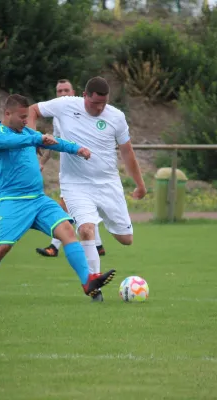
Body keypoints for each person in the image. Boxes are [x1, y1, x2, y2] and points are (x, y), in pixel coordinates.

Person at [0, 94, 116, 303]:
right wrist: (37, 138)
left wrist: (77, 149)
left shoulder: (26, 133)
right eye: (22, 116)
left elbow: (53, 142)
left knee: (67, 231)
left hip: (38, 200)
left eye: (27, 116)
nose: (26, 120)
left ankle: (87, 282)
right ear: (7, 114)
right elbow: (19, 141)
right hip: (11, 202)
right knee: (3, 247)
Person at [27, 76, 146, 302]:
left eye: (104, 104)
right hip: (75, 185)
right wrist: (34, 139)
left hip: (108, 184)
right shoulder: (65, 105)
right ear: (84, 96)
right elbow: (33, 110)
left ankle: (103, 221)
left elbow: (127, 152)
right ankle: (94, 287)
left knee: (126, 239)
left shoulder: (116, 117)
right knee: (86, 229)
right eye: (95, 104)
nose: (100, 108)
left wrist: (140, 184)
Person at [36, 79, 107, 258]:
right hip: (70, 170)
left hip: (86, 170)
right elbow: (55, 142)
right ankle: (97, 245)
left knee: (65, 207)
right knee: (81, 208)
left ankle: (54, 246)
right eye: (59, 91)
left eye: (66, 90)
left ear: (74, 91)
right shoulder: (58, 117)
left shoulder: (86, 110)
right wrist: (42, 162)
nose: (62, 94)